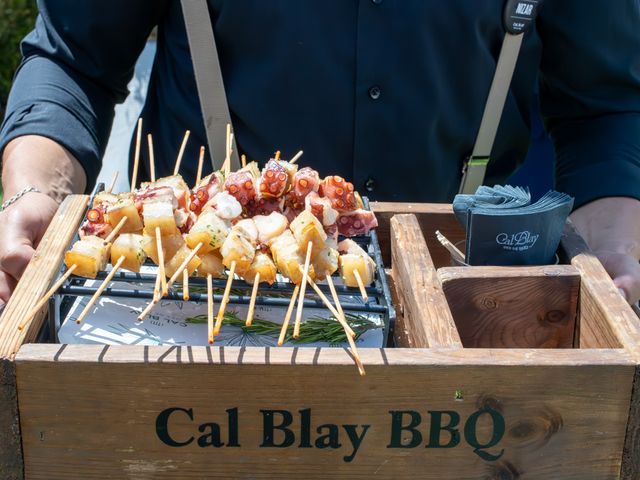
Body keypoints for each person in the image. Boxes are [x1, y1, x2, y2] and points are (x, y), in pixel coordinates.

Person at [0, 1, 639, 308]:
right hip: (190, 303)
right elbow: (72, 60)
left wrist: (616, 246)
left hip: (461, 299)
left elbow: (605, 103)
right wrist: (35, 195)